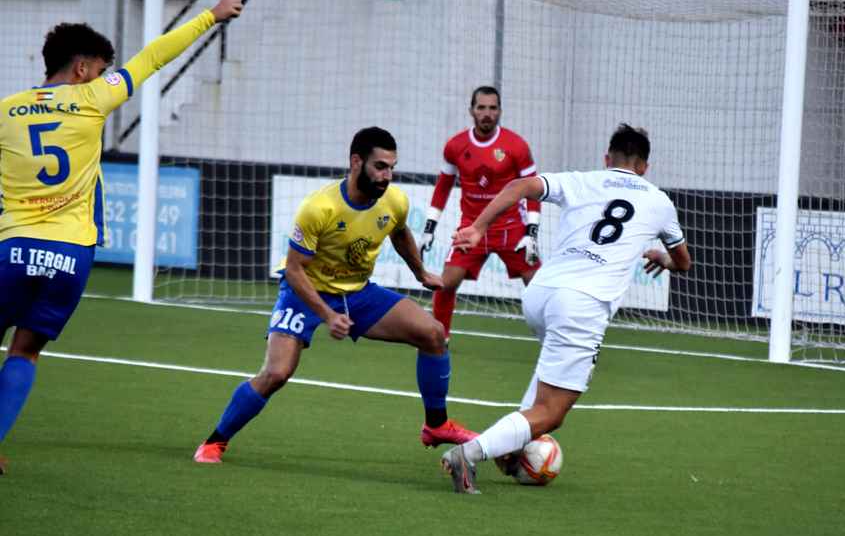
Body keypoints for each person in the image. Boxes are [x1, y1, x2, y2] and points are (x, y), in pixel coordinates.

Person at [0, 0, 245, 476]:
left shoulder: (6, 112)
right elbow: (153, 56)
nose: (101, 76)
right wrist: (209, 16)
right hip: (70, 255)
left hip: (12, 247)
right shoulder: (94, 97)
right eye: (99, 69)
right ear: (83, 68)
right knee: (25, 351)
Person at [193, 127, 477, 464]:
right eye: (380, 166)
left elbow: (399, 233)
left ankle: (436, 425)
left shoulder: (394, 201)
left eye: (391, 167)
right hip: (305, 293)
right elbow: (295, 270)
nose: (387, 176)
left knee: (432, 334)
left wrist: (420, 273)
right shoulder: (318, 208)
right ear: (356, 162)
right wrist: (328, 315)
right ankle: (215, 441)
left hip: (357, 293)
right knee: (277, 373)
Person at [440, 124, 692, 493]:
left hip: (540, 292)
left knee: (548, 375)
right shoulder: (659, 201)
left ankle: (513, 446)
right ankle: (470, 453)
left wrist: (478, 227)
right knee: (551, 413)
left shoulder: (584, 180)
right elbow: (683, 261)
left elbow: (518, 187)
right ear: (645, 167)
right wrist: (665, 260)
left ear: (607, 160)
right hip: (582, 304)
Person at [419, 86, 541, 344]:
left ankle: (554, 338)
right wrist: (430, 225)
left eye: (493, 108)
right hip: (471, 230)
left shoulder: (516, 146)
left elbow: (532, 189)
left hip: (511, 229)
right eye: (481, 107)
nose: (487, 113)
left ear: (500, 111)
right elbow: (443, 186)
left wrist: (532, 232)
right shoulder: (455, 146)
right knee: (447, 282)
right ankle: (439, 337)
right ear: (471, 111)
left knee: (540, 287)